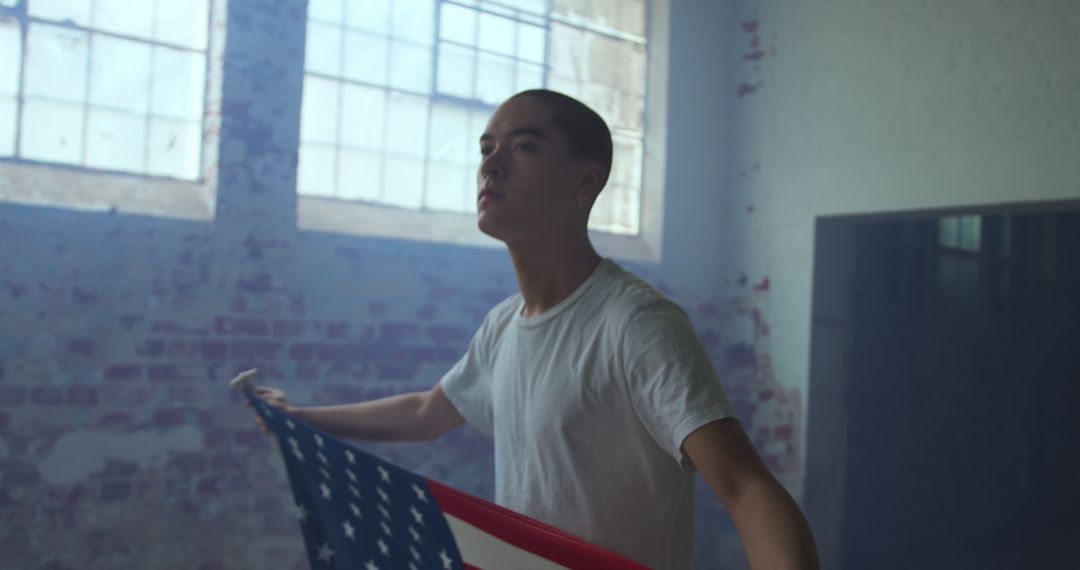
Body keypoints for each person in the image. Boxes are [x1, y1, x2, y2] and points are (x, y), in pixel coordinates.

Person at [251, 89, 819, 569]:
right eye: (487, 149)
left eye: (523, 147)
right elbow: (428, 413)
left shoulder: (636, 324)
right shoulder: (502, 327)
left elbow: (745, 488)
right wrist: (298, 419)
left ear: (585, 180)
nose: (491, 165)